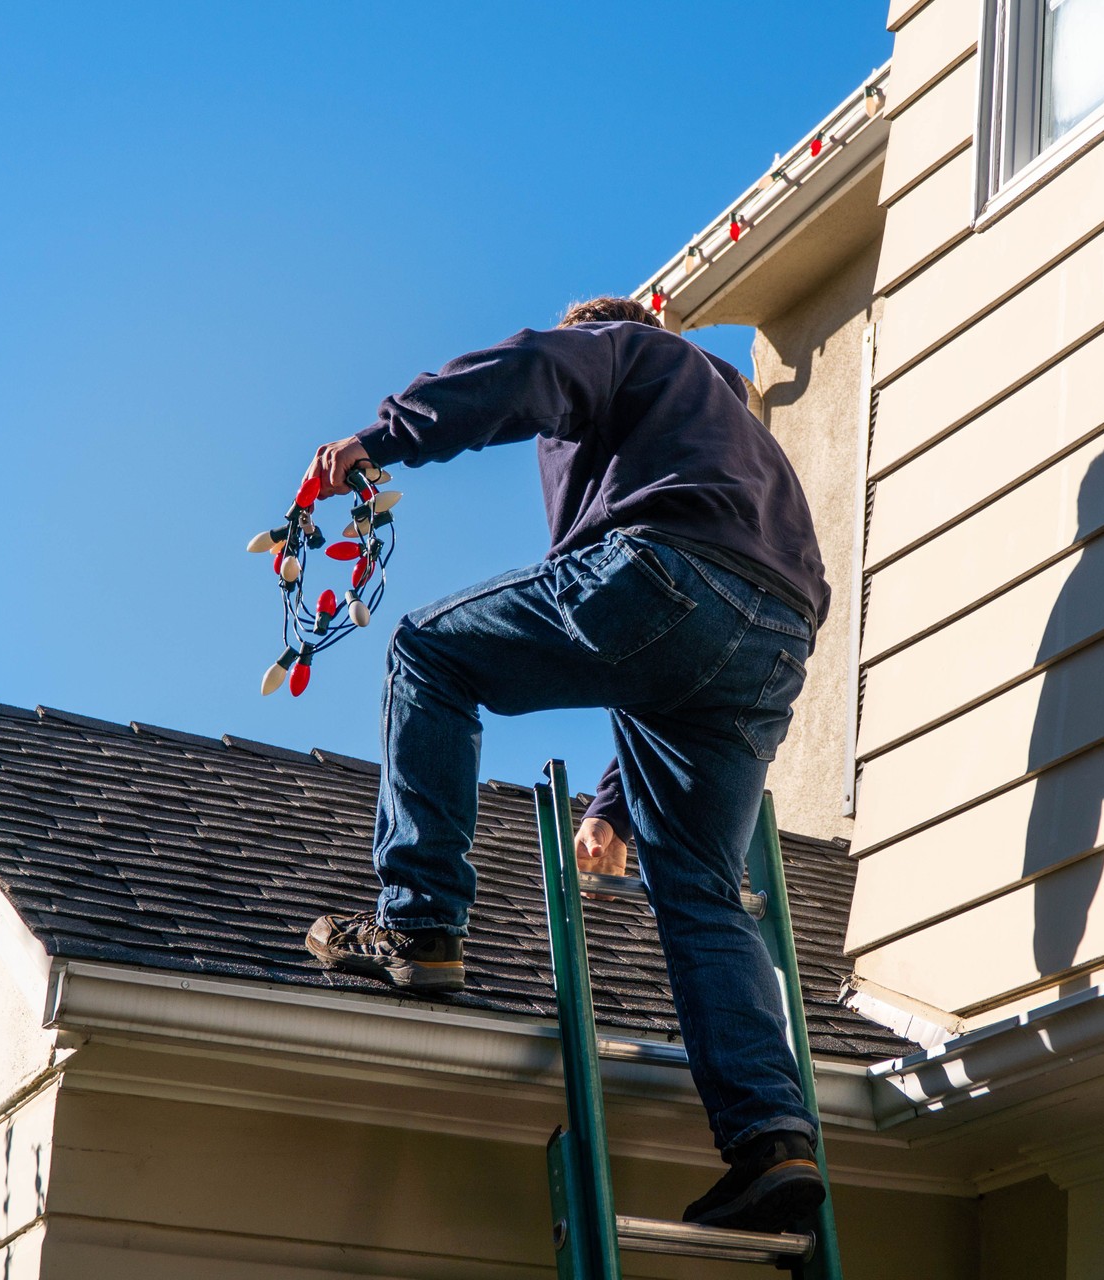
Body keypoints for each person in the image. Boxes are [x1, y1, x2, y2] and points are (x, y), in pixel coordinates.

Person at [299, 296, 830, 1233]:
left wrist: (381, 440)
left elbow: (531, 371)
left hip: (666, 573)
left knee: (427, 650)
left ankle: (419, 928)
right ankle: (772, 1141)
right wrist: (615, 804)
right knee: (701, 888)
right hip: (773, 636)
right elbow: (677, 653)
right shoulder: (737, 436)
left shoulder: (625, 349)